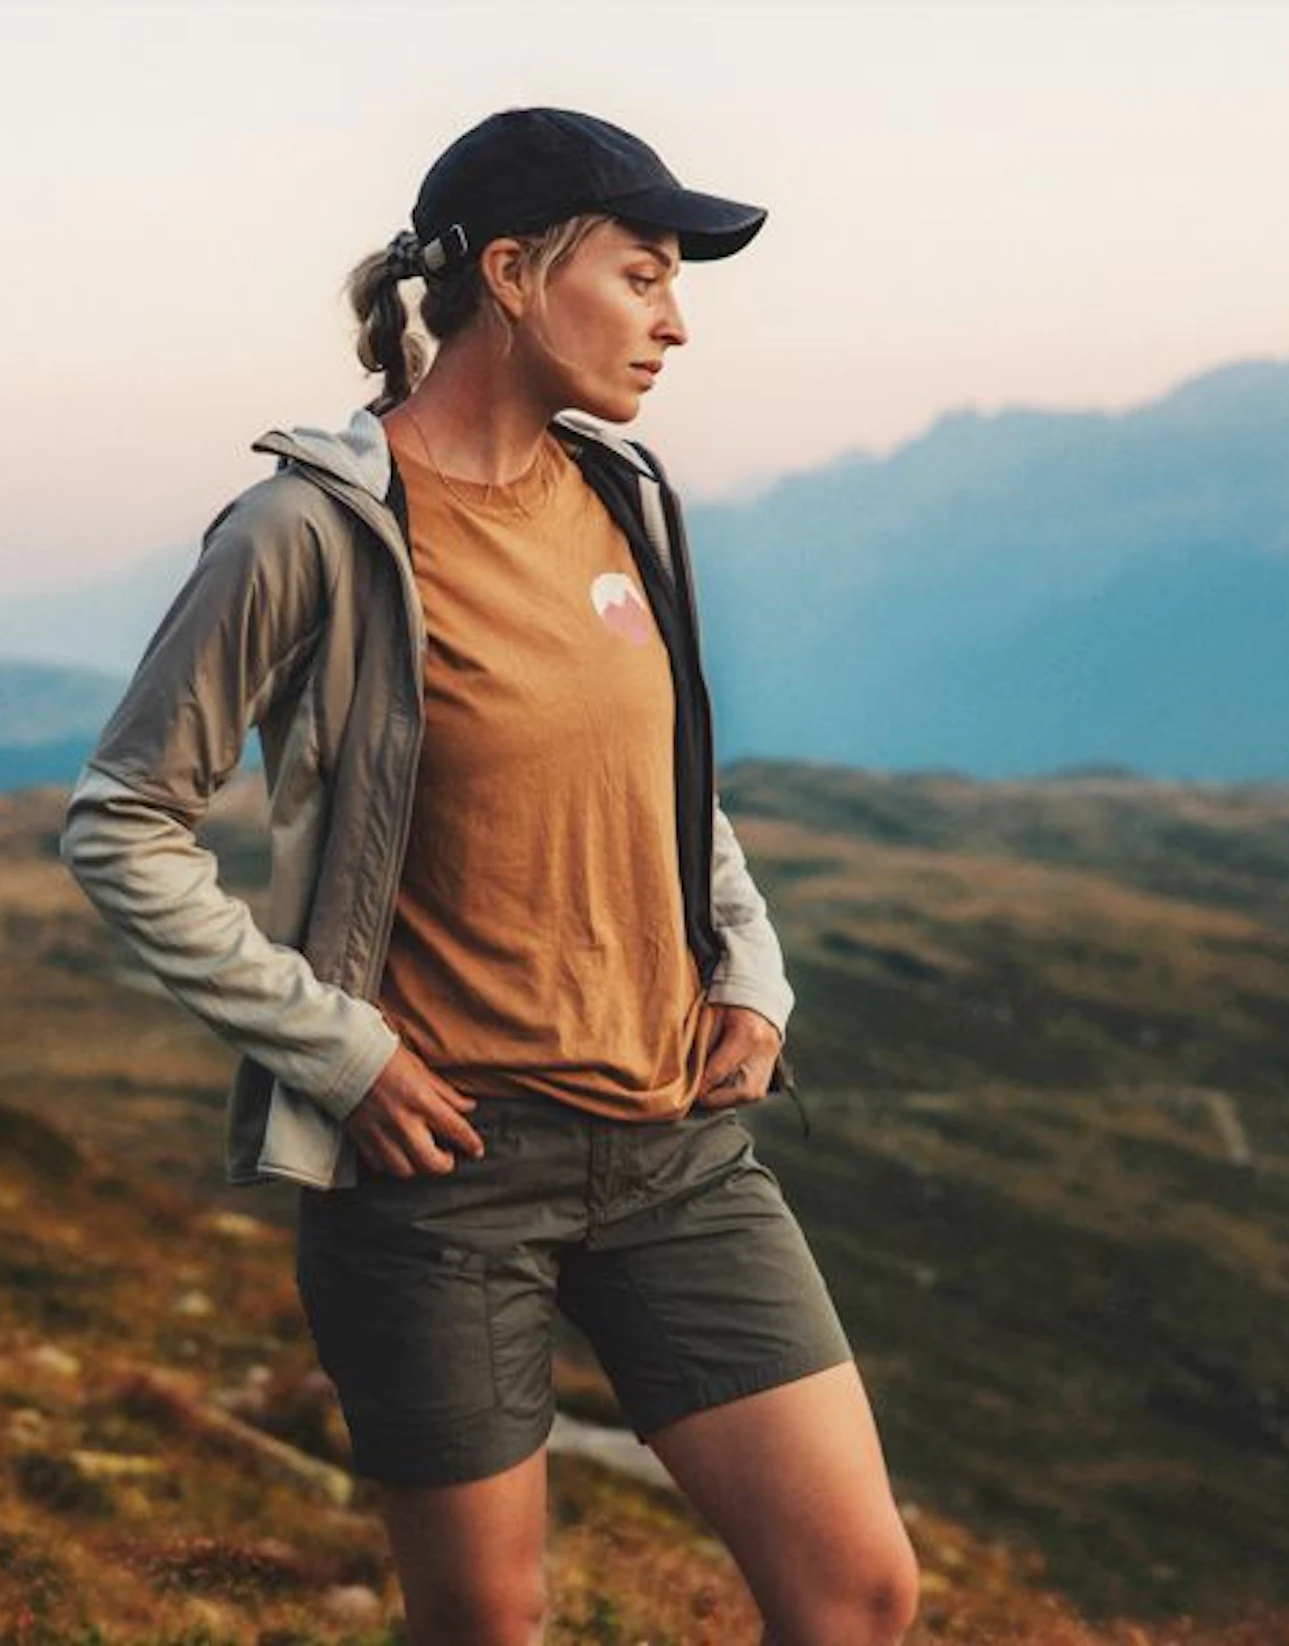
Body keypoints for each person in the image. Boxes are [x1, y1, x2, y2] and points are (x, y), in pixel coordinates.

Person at [60, 107, 917, 1645]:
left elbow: (667, 777)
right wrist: (343, 1048)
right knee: (487, 1630)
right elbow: (123, 816)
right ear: (512, 274)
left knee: (858, 1592)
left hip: (675, 1145)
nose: (676, 319)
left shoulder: (629, 500)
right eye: (643, 273)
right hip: (440, 1175)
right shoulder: (306, 534)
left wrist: (749, 971)